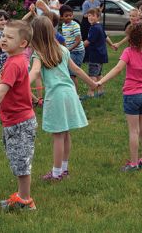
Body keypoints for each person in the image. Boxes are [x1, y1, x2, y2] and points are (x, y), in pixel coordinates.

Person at [29, 16, 96, 180]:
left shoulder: (38, 54)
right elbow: (77, 71)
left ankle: (57, 172)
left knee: (58, 136)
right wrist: (92, 84)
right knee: (65, 134)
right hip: (70, 94)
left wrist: (22, 83)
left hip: (57, 97)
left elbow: (36, 71)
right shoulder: (63, 50)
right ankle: (64, 169)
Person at [97, 22, 142, 172]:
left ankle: (133, 163)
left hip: (131, 96)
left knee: (133, 131)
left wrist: (100, 81)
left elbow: (117, 69)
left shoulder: (128, 52)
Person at [0, 20, 37, 210]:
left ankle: (26, 201)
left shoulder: (13, 63)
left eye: (9, 37)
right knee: (18, 160)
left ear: (23, 44)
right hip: (15, 120)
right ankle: (21, 195)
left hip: (20, 122)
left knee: (21, 163)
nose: (3, 40)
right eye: (3, 35)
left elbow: (1, 92)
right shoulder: (15, 59)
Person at [82, 7, 116, 98]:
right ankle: (101, 91)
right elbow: (105, 37)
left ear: (98, 17)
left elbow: (88, 41)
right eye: (89, 16)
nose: (90, 18)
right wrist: (111, 45)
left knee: (92, 75)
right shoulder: (99, 26)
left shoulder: (94, 28)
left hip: (95, 55)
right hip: (101, 55)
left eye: (93, 16)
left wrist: (78, 47)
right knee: (99, 74)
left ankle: (91, 93)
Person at [60, 4, 85, 91]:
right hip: (69, 51)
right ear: (61, 17)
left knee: (72, 73)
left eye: (71, 15)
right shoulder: (63, 25)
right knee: (68, 72)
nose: (69, 17)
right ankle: (70, 91)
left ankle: (75, 95)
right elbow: (65, 39)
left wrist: (68, 49)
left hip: (77, 52)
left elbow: (78, 41)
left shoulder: (75, 25)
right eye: (66, 16)